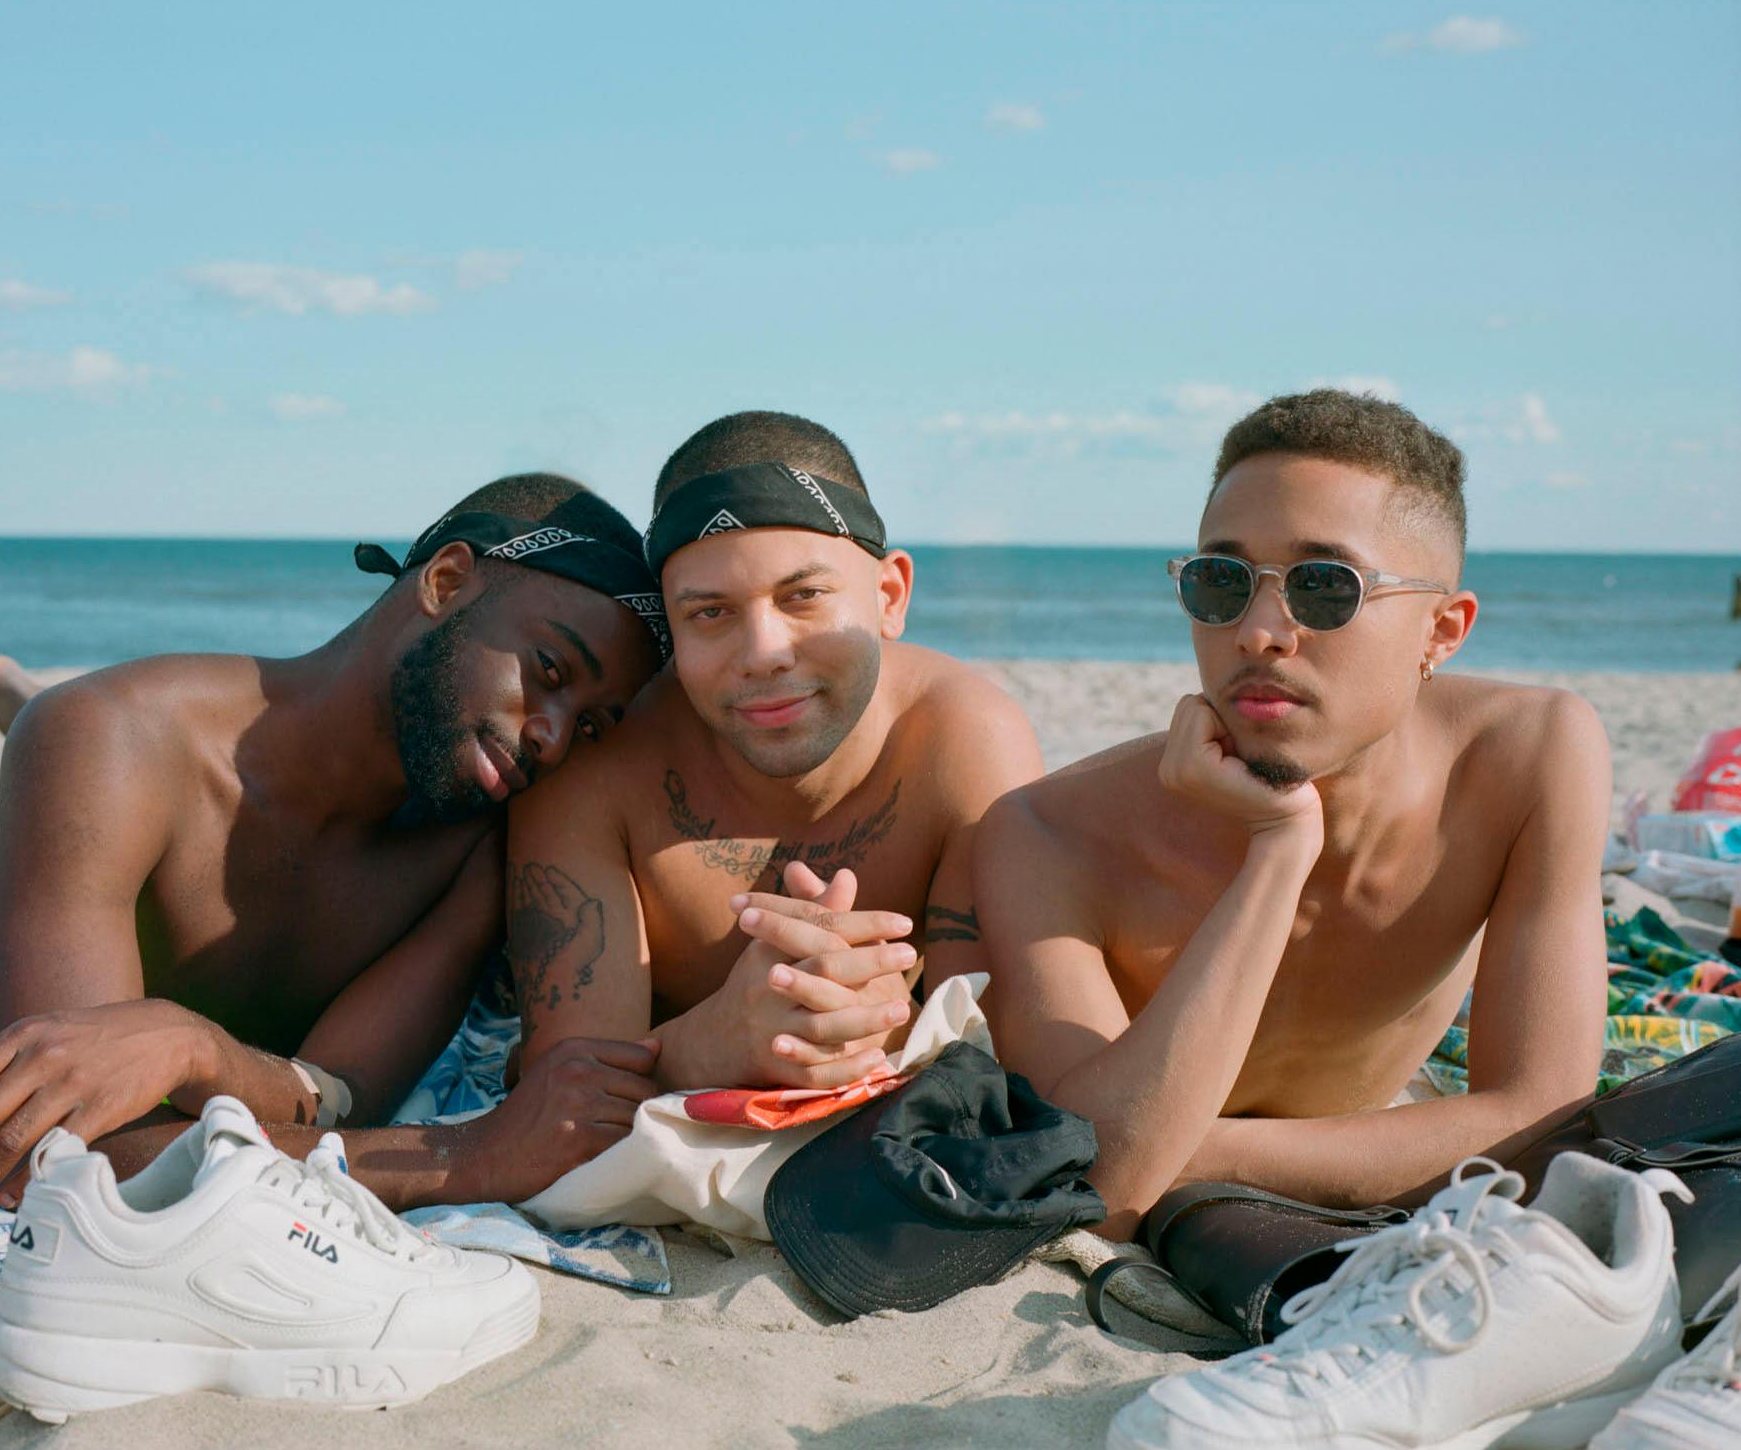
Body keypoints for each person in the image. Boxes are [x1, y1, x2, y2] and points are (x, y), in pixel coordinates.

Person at [0, 475, 671, 1216]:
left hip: (128, 824)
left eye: (590, 724)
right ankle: (21, 703)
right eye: (549, 669)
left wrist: (199, 1050)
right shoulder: (108, 737)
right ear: (444, 580)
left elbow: (339, 1096)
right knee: (62, 743)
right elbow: (74, 1154)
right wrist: (470, 1154)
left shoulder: (476, 846)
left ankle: (19, 701)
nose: (554, 734)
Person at [977, 389, 1610, 1238]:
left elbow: (1540, 1122)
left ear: (1443, 631)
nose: (1259, 632)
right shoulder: (1047, 833)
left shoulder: (1527, 756)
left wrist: (1193, 1148)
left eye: (1323, 587)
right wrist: (1279, 847)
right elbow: (1104, 1190)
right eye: (1221, 581)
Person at [506, 410, 1045, 1092]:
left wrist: (861, 1018)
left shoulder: (963, 739)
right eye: (710, 613)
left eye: (805, 596)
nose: (763, 653)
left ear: (889, 594)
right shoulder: (601, 767)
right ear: (670, 627)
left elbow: (995, 1055)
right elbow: (561, 1096)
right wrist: (716, 1038)